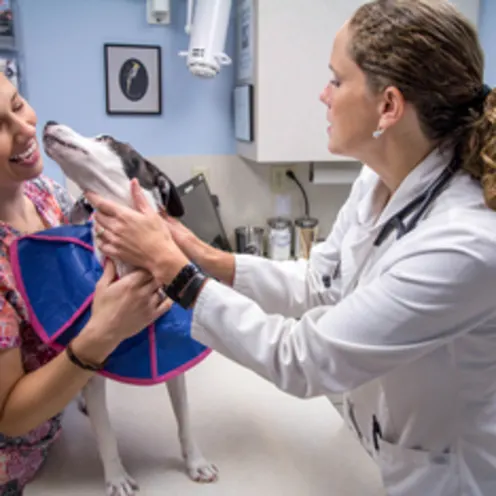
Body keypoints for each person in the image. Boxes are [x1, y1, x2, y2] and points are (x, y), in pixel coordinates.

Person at [86, 1, 496, 494]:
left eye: (337, 80)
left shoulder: (465, 244)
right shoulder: (377, 179)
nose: (323, 95)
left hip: (450, 476)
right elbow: (319, 282)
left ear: (388, 106)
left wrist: (175, 272)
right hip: (376, 443)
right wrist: (205, 256)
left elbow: (303, 358)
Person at [0, 73, 172, 495]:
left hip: (63, 437)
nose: (25, 129)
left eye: (17, 104)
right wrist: (105, 333)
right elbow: (8, 415)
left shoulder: (48, 195)